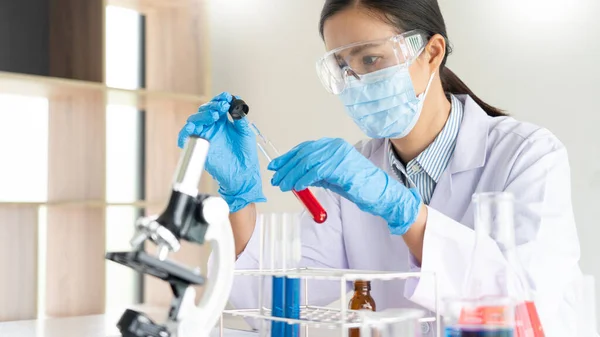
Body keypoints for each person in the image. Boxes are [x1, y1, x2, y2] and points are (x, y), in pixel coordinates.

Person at [178, 0, 582, 335]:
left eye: (371, 59)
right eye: (342, 67)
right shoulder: (354, 174)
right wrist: (241, 198)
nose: (355, 81)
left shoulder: (526, 155)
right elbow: (270, 304)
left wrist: (403, 213)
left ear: (432, 51)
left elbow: (525, 306)